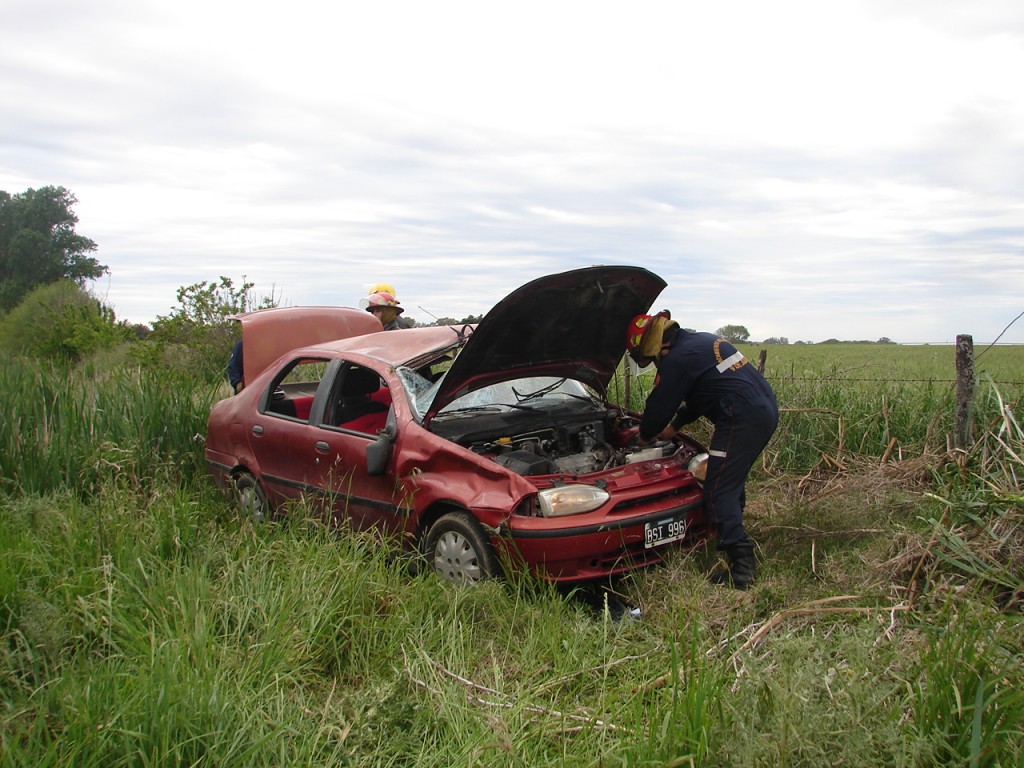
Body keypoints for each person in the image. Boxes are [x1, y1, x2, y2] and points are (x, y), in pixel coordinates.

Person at [625, 311, 779, 589]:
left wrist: (644, 437)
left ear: (652, 346)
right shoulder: (701, 342)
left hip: (740, 419)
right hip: (762, 412)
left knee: (718, 488)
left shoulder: (678, 360)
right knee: (729, 481)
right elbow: (702, 392)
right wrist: (677, 425)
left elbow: (657, 407)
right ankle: (730, 533)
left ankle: (742, 569)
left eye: (648, 359)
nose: (653, 364)